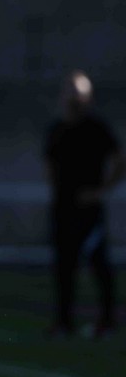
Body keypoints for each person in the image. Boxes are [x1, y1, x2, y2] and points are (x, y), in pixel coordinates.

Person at [44, 70, 124, 339]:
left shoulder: (97, 129)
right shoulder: (56, 129)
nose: (74, 98)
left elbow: (120, 160)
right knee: (64, 267)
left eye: (79, 93)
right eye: (70, 92)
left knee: (99, 265)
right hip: (63, 209)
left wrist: (102, 191)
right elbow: (49, 165)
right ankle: (64, 323)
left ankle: (107, 322)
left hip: (89, 211)